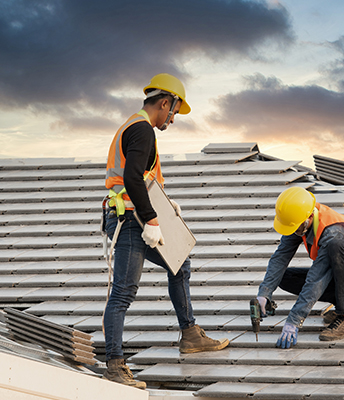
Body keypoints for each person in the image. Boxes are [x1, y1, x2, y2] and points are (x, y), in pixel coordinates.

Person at [102, 73, 229, 388]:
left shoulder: (134, 127)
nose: (173, 119)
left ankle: (190, 334)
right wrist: (152, 220)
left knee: (179, 262)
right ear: (164, 103)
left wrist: (164, 204)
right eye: (173, 112)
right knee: (123, 292)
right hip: (131, 222)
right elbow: (131, 178)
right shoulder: (143, 130)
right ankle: (115, 366)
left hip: (137, 218)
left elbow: (141, 178)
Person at [254, 186, 344, 349]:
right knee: (284, 277)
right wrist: (265, 292)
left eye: (297, 228)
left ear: (309, 216)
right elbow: (280, 258)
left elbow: (317, 278)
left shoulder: (332, 230)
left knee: (336, 246)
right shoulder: (299, 220)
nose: (296, 232)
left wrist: (294, 320)